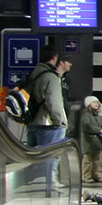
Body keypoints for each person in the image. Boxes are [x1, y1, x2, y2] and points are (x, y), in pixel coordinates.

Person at [23, 45, 70, 192]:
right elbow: (54, 103)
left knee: (34, 156)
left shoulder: (34, 72)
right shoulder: (51, 77)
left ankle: (31, 181)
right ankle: (50, 183)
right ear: (55, 58)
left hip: (32, 121)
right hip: (48, 123)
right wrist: (61, 122)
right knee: (52, 155)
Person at [77, 96, 102, 184]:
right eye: (94, 102)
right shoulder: (86, 116)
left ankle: (95, 174)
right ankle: (86, 176)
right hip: (88, 142)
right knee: (88, 160)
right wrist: (99, 130)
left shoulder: (96, 116)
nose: (96, 104)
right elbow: (87, 126)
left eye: (97, 102)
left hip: (96, 142)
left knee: (96, 160)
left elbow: (99, 125)